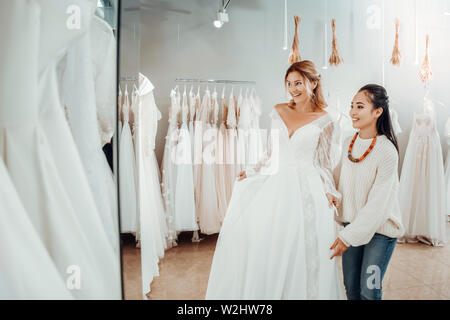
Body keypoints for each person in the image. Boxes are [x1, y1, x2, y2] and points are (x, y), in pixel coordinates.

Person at [206, 60, 344, 299]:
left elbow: (323, 162)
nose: (293, 89)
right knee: (272, 246)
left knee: (302, 249)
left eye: (298, 83)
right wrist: (251, 171)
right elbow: (272, 152)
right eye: (289, 83)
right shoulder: (278, 111)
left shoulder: (326, 119)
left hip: (308, 190)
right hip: (277, 187)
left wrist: (330, 189)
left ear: (313, 83)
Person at [329, 84, 404, 300]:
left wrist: (346, 237)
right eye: (352, 106)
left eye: (359, 106)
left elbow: (378, 205)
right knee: (351, 288)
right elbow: (335, 179)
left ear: (377, 112)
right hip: (352, 225)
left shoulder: (387, 151)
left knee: (369, 291)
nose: (352, 111)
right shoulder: (348, 143)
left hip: (381, 232)